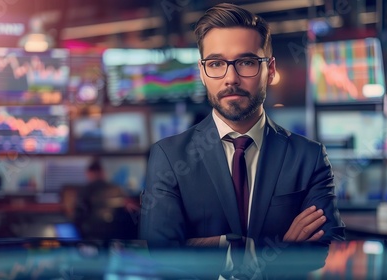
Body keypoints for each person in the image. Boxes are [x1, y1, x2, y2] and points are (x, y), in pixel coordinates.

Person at [140, 3, 345, 279]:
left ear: (270, 70)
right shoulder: (169, 155)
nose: (231, 78)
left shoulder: (308, 157)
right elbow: (163, 252)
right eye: (216, 64)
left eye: (246, 62)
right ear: (202, 73)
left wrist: (208, 247)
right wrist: (276, 248)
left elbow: (327, 246)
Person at [74, 158, 136, 243]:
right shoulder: (115, 189)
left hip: (94, 233)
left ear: (88, 174)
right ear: (103, 173)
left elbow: (79, 216)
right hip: (116, 232)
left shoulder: (84, 191)